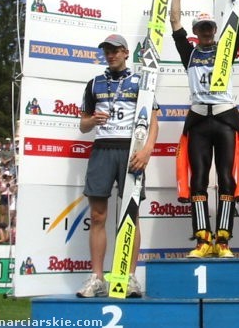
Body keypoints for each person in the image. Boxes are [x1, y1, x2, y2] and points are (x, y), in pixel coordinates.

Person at [169, 0, 239, 259]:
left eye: (209, 28)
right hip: (198, 120)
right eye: (201, 29)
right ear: (196, 32)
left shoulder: (226, 49)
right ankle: (203, 239)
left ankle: (225, 239)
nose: (205, 32)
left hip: (224, 118)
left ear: (215, 30)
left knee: (227, 179)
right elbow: (174, 21)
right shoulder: (188, 52)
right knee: (199, 180)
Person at [76, 33, 159, 299]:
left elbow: (154, 121)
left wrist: (147, 151)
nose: (110, 55)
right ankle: (97, 277)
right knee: (98, 216)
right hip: (102, 149)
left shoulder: (141, 82)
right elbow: (83, 124)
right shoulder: (94, 84)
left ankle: (129, 277)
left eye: (114, 51)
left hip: (131, 151)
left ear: (125, 52)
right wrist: (93, 120)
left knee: (130, 218)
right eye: (106, 51)